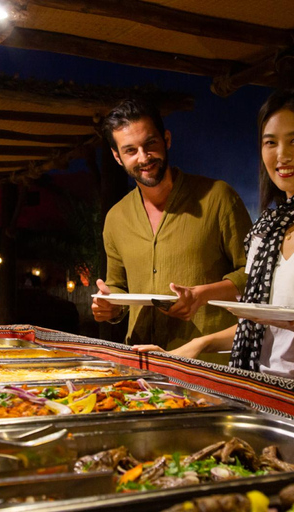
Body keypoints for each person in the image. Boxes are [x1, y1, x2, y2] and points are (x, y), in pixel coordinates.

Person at [134, 89, 294, 391]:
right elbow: (259, 330)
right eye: (270, 142)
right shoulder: (266, 230)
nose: (282, 155)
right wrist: (194, 346)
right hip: (258, 392)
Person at [91, 97, 252, 362]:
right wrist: (109, 304)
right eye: (130, 151)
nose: (143, 157)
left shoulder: (218, 197)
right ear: (117, 157)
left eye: (150, 143)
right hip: (142, 362)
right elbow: (117, 285)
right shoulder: (116, 217)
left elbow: (254, 275)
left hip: (209, 364)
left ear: (166, 139)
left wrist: (201, 295)